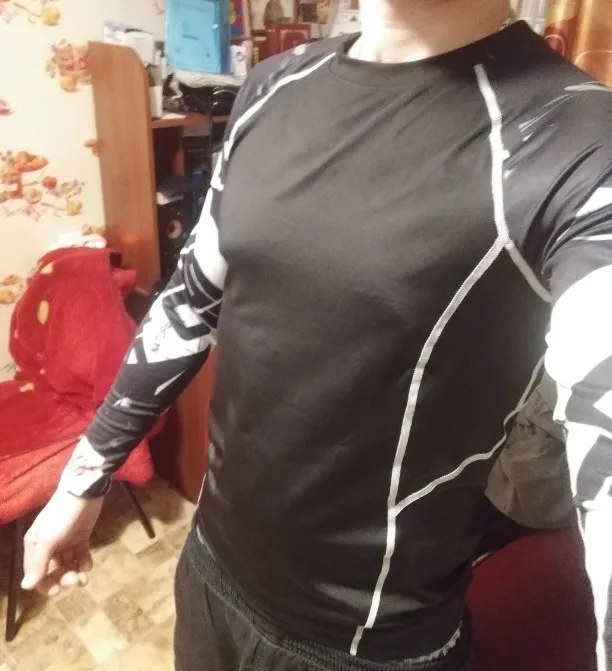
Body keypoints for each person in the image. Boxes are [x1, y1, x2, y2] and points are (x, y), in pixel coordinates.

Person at [20, 1, 612, 669]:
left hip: (363, 644)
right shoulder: (276, 82)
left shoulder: (582, 144)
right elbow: (189, 300)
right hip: (209, 570)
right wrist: (84, 476)